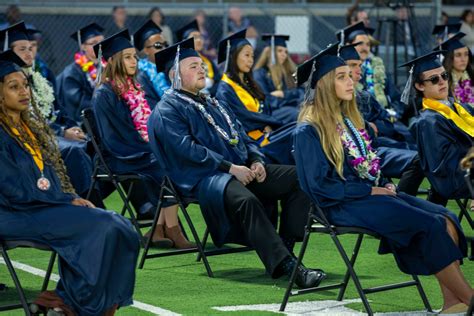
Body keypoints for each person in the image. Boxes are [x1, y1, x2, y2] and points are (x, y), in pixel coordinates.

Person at [293, 45, 472, 314]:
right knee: (429, 224)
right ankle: (470, 300)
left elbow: (369, 161)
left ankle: (451, 302)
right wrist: (370, 192)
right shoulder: (308, 130)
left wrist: (383, 182)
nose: (351, 80)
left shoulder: (347, 120)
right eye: (341, 76)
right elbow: (319, 187)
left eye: (349, 75)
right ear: (325, 84)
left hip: (367, 194)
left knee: (446, 217)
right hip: (340, 205)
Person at [148, 37, 326, 289]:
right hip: (204, 177)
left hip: (238, 169)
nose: (202, 69)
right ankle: (288, 266)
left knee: (299, 177)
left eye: (201, 64)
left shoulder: (211, 102)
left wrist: (256, 160)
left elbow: (241, 135)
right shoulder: (167, 110)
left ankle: (283, 249)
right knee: (246, 201)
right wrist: (230, 168)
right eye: (193, 66)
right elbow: (188, 151)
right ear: (175, 75)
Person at [0, 54, 139, 315]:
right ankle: (73, 303)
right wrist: (62, 200)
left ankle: (78, 301)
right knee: (102, 227)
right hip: (13, 212)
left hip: (43, 205)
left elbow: (50, 174)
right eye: (13, 86)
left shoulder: (29, 126)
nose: (23, 92)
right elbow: (12, 188)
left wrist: (69, 196)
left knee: (123, 227)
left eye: (25, 85)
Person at [92, 30, 194, 249]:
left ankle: (158, 229)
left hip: (139, 150)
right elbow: (113, 138)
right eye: (127, 56)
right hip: (119, 156)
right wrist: (150, 147)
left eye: (133, 56)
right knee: (163, 162)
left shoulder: (135, 88)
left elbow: (145, 124)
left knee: (171, 157)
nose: (134, 60)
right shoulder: (104, 93)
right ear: (111, 60)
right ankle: (173, 229)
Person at [0, 22, 100, 205]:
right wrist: (62, 131)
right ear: (8, 50)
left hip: (53, 131)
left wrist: (70, 126)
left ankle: (138, 204)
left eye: (31, 48)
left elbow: (60, 108)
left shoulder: (41, 76)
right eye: (22, 49)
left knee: (93, 146)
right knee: (74, 150)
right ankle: (91, 204)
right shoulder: (8, 83)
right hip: (35, 135)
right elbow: (28, 118)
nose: (29, 53)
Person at [339, 43, 425, 196]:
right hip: (355, 156)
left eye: (360, 64)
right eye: (352, 65)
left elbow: (387, 122)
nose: (359, 69)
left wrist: (371, 127)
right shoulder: (336, 101)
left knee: (419, 154)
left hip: (375, 148)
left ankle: (399, 197)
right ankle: (398, 200)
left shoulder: (365, 96)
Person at [402, 51, 474, 210]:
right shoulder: (429, 121)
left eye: (444, 76)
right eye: (434, 79)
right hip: (458, 178)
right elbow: (444, 167)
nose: (442, 82)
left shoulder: (461, 107)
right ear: (420, 86)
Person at [216, 30, 296, 165]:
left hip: (265, 134)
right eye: (246, 55)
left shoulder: (248, 83)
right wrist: (269, 122)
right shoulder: (225, 89)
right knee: (297, 133)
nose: (251, 60)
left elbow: (265, 106)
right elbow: (242, 118)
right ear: (233, 57)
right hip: (253, 145)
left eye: (252, 56)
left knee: (300, 127)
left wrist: (268, 123)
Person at [337, 22, 406, 121]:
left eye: (368, 44)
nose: (365, 48)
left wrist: (393, 115)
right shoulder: (343, 73)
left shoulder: (379, 70)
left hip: (385, 119)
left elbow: (396, 98)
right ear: (348, 45)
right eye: (360, 43)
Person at [57, 23, 105, 124]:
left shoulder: (109, 66)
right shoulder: (72, 72)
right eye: (93, 43)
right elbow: (78, 102)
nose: (99, 46)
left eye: (102, 41)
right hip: (84, 123)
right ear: (83, 47)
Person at [253, 34, 303, 124]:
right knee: (296, 113)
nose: (284, 55)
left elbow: (302, 92)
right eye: (280, 51)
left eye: (286, 52)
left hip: (289, 108)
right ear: (270, 52)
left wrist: (283, 94)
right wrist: (289, 99)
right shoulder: (259, 74)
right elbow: (265, 99)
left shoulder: (289, 72)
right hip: (270, 112)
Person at [176, 19, 220, 96]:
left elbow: (218, 81)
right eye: (195, 37)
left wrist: (208, 91)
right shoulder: (181, 62)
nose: (199, 40)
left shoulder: (208, 61)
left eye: (200, 37)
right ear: (185, 41)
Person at [133, 19, 170, 107]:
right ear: (146, 50)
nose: (163, 48)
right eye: (158, 45)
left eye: (165, 44)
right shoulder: (141, 75)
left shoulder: (170, 69)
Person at [439, 32, 474, 108]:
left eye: (466, 54)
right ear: (450, 58)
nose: (463, 59)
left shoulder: (471, 76)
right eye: (458, 55)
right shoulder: (445, 83)